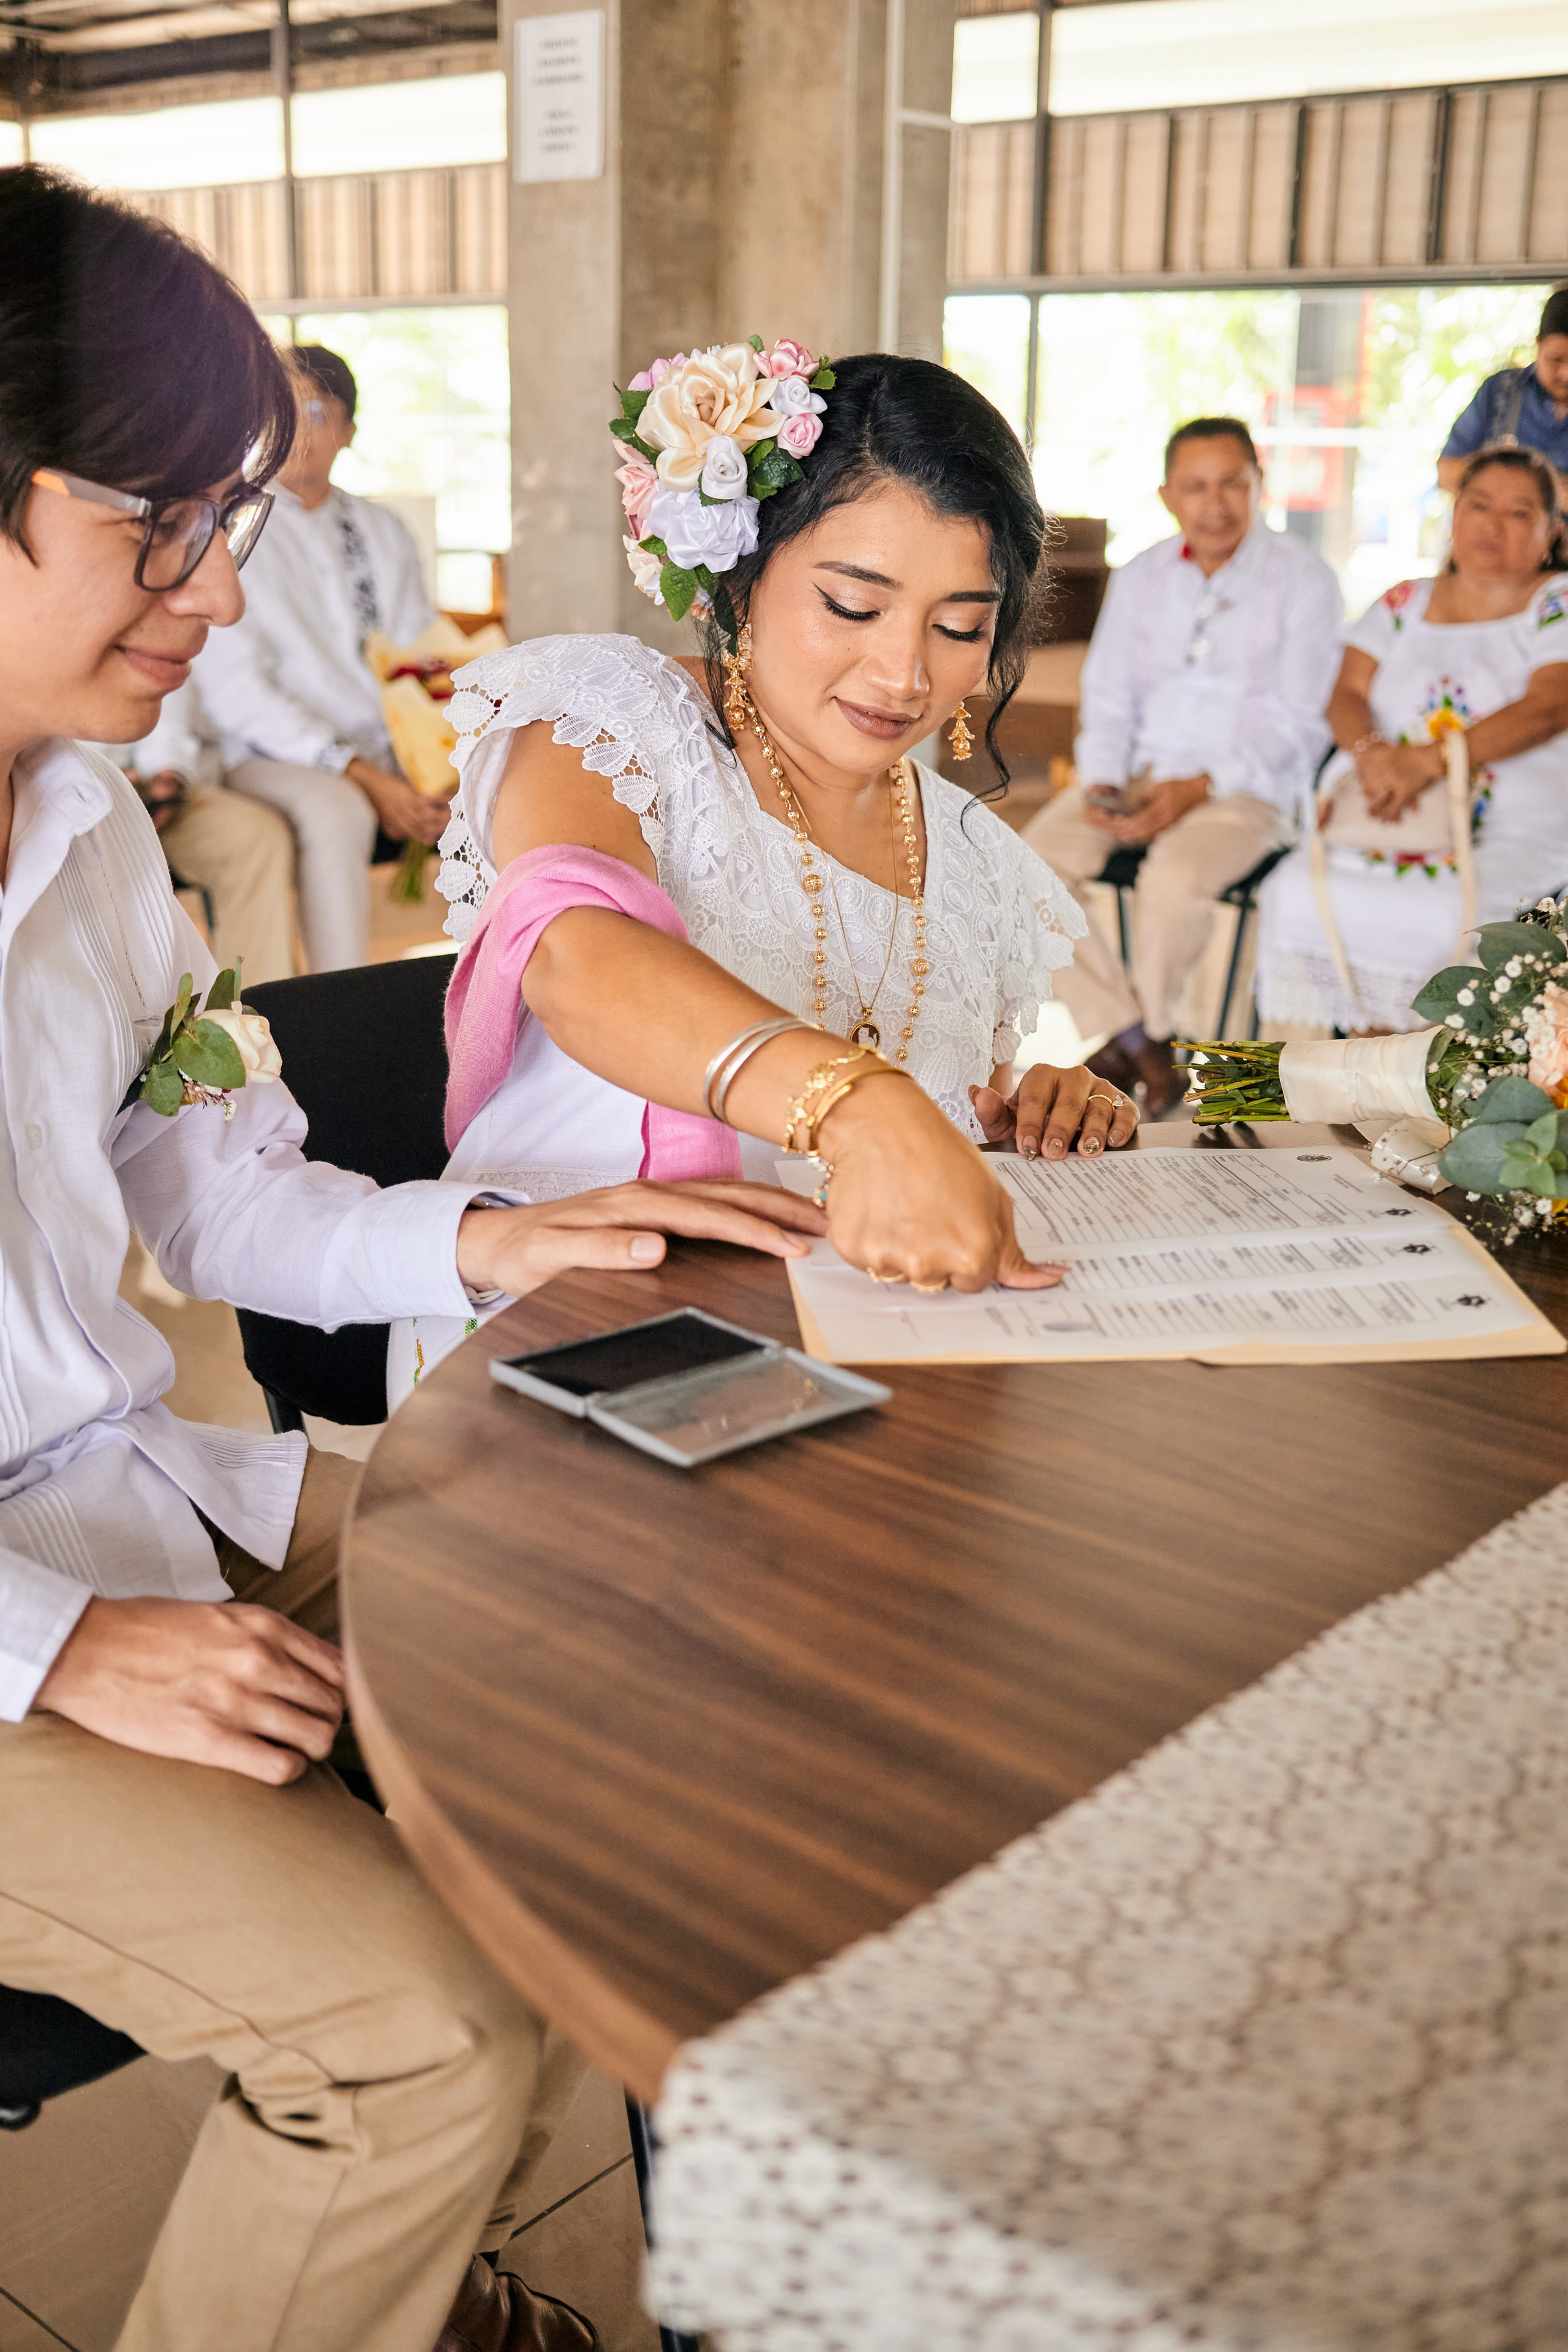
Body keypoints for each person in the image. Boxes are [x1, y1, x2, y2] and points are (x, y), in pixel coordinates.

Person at [0, 165, 831, 2352]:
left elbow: (198, 1179)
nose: (210, 590)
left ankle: (399, 2290)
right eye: (154, 523)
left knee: (651, 1620)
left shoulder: (90, 837)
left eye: (235, 526)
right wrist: (50, 1652)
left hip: (125, 1486)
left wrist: (495, 1232)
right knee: (426, 2039)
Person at [396, 342, 1140, 1398]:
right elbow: (575, 951)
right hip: (572, 1322)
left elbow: (937, 1103)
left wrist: (1023, 1121)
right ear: (744, 575)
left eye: (961, 627)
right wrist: (863, 1105)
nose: (905, 673)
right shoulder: (613, 723)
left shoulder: (973, 857)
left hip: (831, 1327)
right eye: (852, 605)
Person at [1022, 417, 1342, 1115]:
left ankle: (1147, 1042)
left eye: (1233, 482)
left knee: (1174, 879)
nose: (1216, 502)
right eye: (1196, 486)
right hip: (1136, 774)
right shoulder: (1142, 576)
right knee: (1021, 869)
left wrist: (1199, 788)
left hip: (1247, 792)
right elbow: (1108, 696)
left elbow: (1303, 721)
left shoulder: (1304, 579)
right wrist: (1103, 779)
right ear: (1169, 496)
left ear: (1260, 483)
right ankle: (1138, 1039)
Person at [1255, 445, 1568, 1035]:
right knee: (1290, 889)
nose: (1493, 525)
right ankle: (1330, 1078)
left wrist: (1427, 763)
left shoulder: (1558, 603)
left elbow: (1550, 706)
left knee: (1455, 914)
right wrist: (1376, 760)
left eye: (1519, 512)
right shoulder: (1404, 601)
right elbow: (1344, 692)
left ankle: (1424, 1084)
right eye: (1478, 505)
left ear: (1551, 532)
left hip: (1506, 832)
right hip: (1385, 811)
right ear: (1453, 517)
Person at [193, 344, 448, 970]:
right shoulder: (233, 529)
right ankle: (341, 997)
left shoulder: (382, 531)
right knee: (338, 812)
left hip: (387, 746)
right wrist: (362, 773)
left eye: (309, 408)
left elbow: (421, 656)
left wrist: (435, 763)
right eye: (274, 409)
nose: (290, 426)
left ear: (348, 429)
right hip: (269, 753)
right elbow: (238, 695)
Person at [111, 677, 298, 983]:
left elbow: (165, 698)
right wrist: (92, 774)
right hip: (61, 786)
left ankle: (247, 1012)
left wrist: (167, 773)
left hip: (149, 788)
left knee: (254, 838)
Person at [1438, 286, 1568, 503]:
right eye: (1556, 360)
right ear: (1538, 344)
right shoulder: (1500, 392)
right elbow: (1447, 472)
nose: (1566, 374)